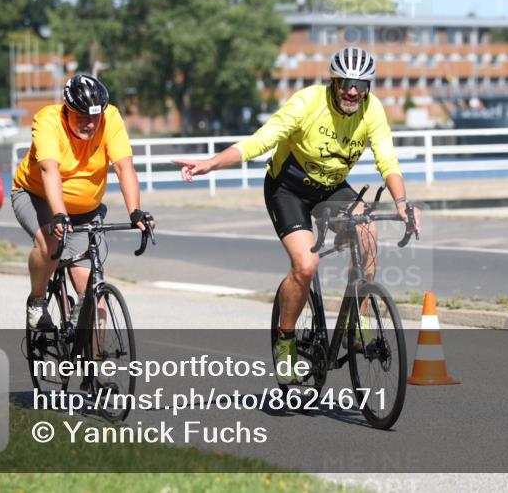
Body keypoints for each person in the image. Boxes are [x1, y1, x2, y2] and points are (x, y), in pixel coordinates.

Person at [176, 46, 421, 382]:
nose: (353, 91)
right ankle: (285, 339)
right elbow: (259, 142)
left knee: (367, 234)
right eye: (346, 82)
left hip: (332, 187)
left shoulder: (372, 110)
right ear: (334, 81)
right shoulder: (307, 103)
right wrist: (210, 164)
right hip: (288, 188)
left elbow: (387, 161)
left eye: (361, 84)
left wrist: (402, 203)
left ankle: (355, 321)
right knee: (306, 265)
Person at [12, 74, 154, 330]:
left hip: (86, 210)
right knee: (50, 241)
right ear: (68, 111)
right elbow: (49, 170)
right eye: (83, 117)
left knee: (91, 295)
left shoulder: (111, 117)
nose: (90, 124)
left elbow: (124, 167)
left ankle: (96, 364)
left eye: (95, 117)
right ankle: (36, 300)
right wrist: (59, 214)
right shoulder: (48, 120)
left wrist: (135, 212)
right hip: (37, 196)